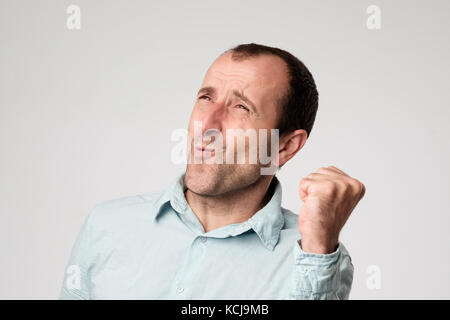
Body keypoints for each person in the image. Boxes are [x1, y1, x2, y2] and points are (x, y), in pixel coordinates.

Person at [59, 43, 365, 299]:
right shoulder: (107, 225)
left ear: (284, 147)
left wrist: (317, 250)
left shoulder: (316, 258)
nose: (206, 125)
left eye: (240, 107)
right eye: (206, 98)